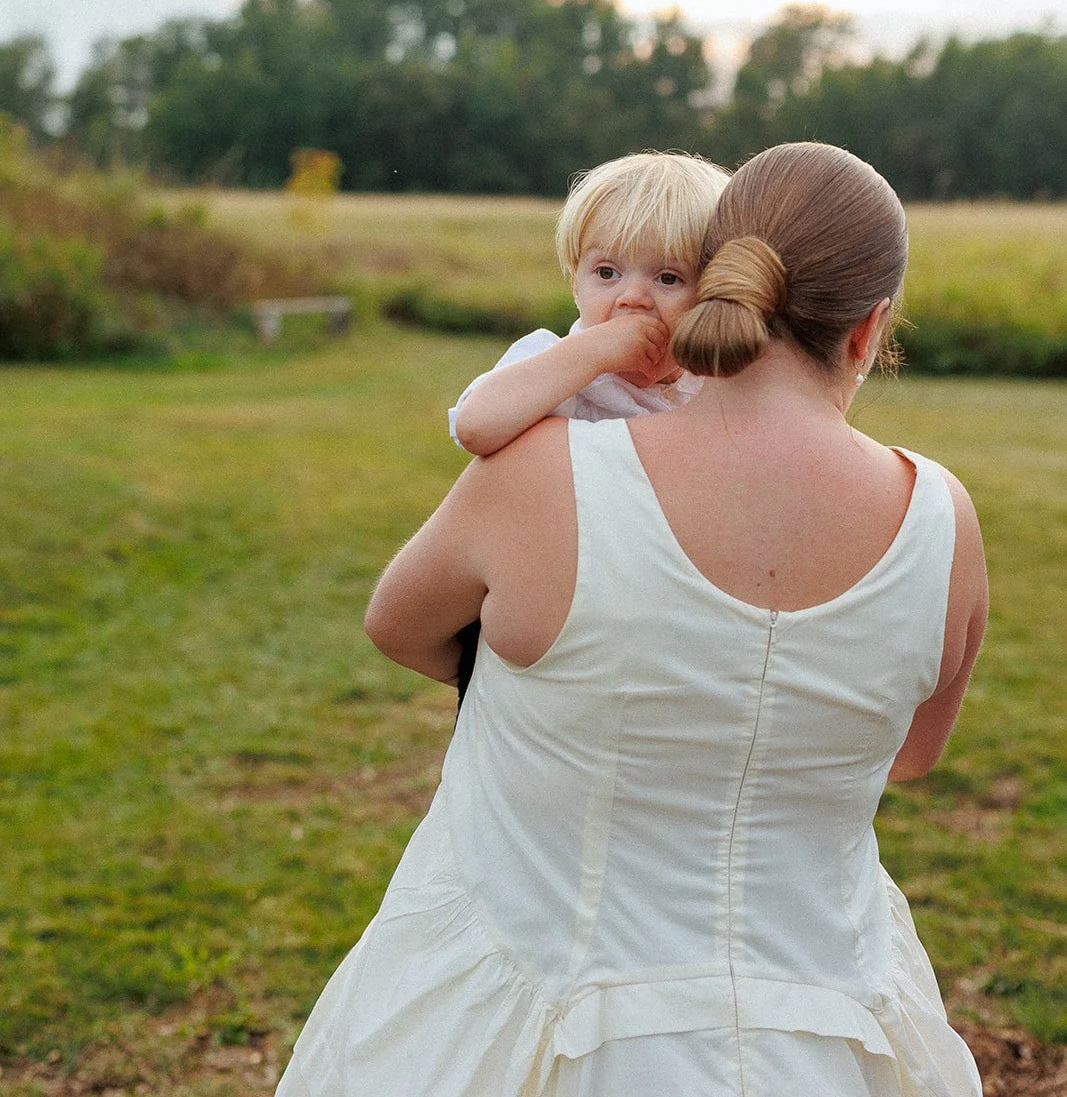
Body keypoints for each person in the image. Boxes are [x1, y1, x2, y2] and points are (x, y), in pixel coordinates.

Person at [276, 141, 988, 1097]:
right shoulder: (944, 517)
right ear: (868, 330)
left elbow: (398, 626)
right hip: (824, 1024)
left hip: (533, 1005)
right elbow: (906, 753)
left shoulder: (542, 472)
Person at [449, 150, 730, 701]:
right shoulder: (556, 367)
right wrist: (590, 353)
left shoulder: (710, 388)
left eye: (668, 277)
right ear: (574, 282)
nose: (630, 297)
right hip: (557, 594)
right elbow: (476, 427)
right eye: (605, 272)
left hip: (665, 603)